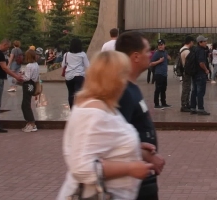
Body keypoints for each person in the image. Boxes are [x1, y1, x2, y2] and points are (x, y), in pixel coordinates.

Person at [56, 50, 154, 200]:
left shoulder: (100, 105)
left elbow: (103, 144)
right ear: (113, 79)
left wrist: (135, 149)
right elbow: (82, 168)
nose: (126, 81)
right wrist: (130, 168)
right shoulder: (93, 113)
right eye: (123, 75)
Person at [115, 31, 166, 200]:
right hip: (132, 180)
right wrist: (146, 155)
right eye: (147, 51)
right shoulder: (122, 91)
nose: (150, 54)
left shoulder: (132, 87)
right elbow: (115, 138)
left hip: (143, 176)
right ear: (135, 56)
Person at [0, 39, 24, 133]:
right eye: (7, 47)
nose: (7, 49)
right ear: (4, 44)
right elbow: (4, 68)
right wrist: (16, 76)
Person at [62, 37, 89, 109]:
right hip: (79, 76)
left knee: (70, 93)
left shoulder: (66, 54)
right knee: (79, 94)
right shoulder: (82, 54)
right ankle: (78, 110)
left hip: (69, 76)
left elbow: (63, 65)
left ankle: (72, 110)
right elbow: (88, 65)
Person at [189, 36, 211, 115]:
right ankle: (201, 109)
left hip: (194, 73)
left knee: (194, 91)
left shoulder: (194, 49)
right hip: (200, 74)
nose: (206, 43)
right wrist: (206, 70)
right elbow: (201, 63)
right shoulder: (201, 51)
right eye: (204, 41)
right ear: (200, 42)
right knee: (200, 92)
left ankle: (193, 108)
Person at [19, 49, 40, 132]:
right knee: (26, 104)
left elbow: (27, 77)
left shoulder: (29, 65)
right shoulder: (36, 64)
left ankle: (32, 123)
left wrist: (20, 77)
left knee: (25, 105)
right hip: (33, 85)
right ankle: (29, 122)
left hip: (27, 85)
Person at [149, 39, 171, 109]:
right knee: (158, 89)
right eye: (159, 45)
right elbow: (151, 63)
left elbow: (168, 58)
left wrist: (168, 58)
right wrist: (159, 61)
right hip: (158, 74)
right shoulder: (157, 53)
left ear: (164, 45)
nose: (160, 46)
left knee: (163, 89)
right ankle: (156, 104)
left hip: (164, 74)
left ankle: (163, 103)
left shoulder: (165, 52)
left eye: (161, 45)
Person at [179, 36, 194, 112]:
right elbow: (189, 63)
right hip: (187, 72)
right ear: (190, 42)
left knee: (186, 88)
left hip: (183, 71)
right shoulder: (187, 51)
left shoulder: (182, 49)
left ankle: (185, 104)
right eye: (192, 42)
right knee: (186, 89)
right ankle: (184, 105)